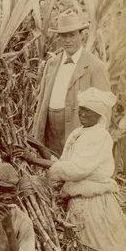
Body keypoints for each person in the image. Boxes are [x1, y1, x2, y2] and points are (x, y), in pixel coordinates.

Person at [16, 88, 126, 251]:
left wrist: (35, 161)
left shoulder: (100, 136)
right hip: (78, 201)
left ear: (98, 114)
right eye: (81, 109)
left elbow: (76, 169)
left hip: (94, 204)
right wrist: (41, 149)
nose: (82, 114)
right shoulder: (79, 133)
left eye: (88, 111)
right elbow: (65, 164)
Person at [32, 12, 110, 156]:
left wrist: (96, 145)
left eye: (72, 35)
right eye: (64, 36)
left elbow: (104, 109)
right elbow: (42, 100)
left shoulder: (95, 66)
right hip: (51, 131)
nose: (68, 40)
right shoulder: (52, 63)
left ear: (82, 35)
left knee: (74, 170)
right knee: (52, 170)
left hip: (77, 131)